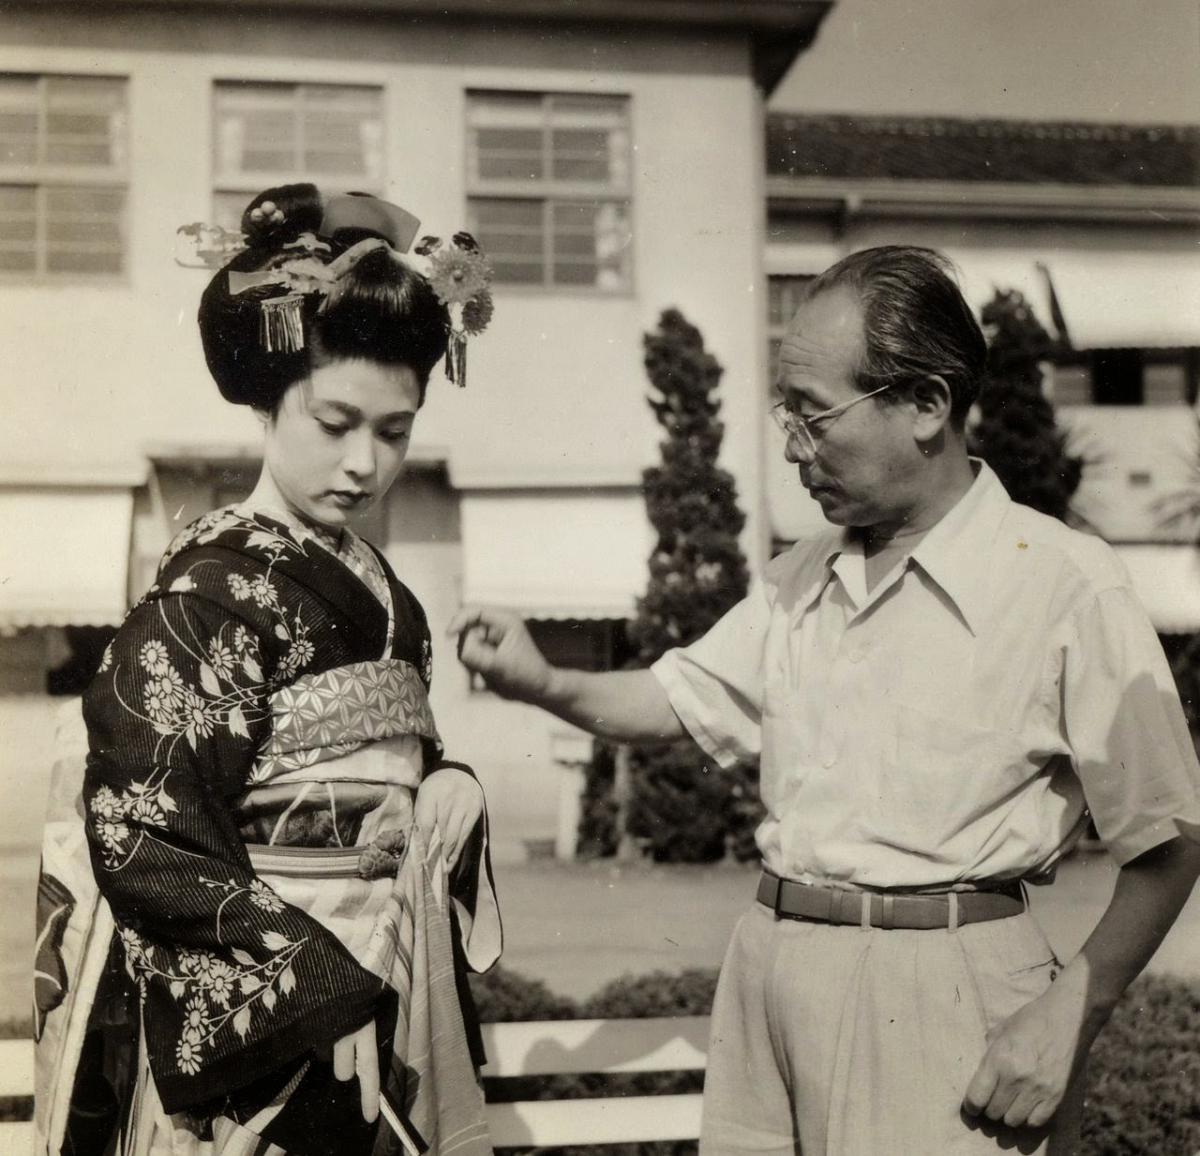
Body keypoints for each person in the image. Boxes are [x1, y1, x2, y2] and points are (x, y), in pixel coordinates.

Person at [451, 246, 1200, 1154]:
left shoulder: (1065, 585)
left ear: (926, 404)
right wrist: (545, 681)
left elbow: (1171, 838)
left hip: (946, 992)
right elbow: (680, 700)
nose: (794, 446)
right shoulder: (803, 572)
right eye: (787, 415)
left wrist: (1071, 1013)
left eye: (815, 416)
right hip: (773, 967)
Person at [35, 183, 501, 1156]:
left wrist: (450, 780)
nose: (365, 462)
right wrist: (312, 987)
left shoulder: (385, 596)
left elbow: (410, 750)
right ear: (268, 394)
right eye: (334, 422)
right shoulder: (207, 598)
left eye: (394, 429)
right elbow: (146, 837)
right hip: (282, 1023)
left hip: (389, 975)